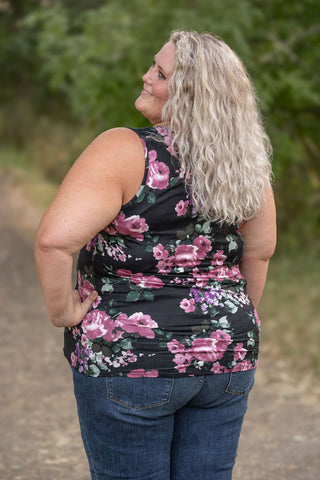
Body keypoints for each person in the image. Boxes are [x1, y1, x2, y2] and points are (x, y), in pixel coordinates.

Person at [35, 30, 276, 480]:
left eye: (160, 73)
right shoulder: (247, 160)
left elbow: (54, 241)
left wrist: (62, 311)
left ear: (190, 93)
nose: (145, 77)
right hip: (226, 360)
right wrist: (226, 321)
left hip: (130, 361)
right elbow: (259, 255)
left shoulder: (125, 150)